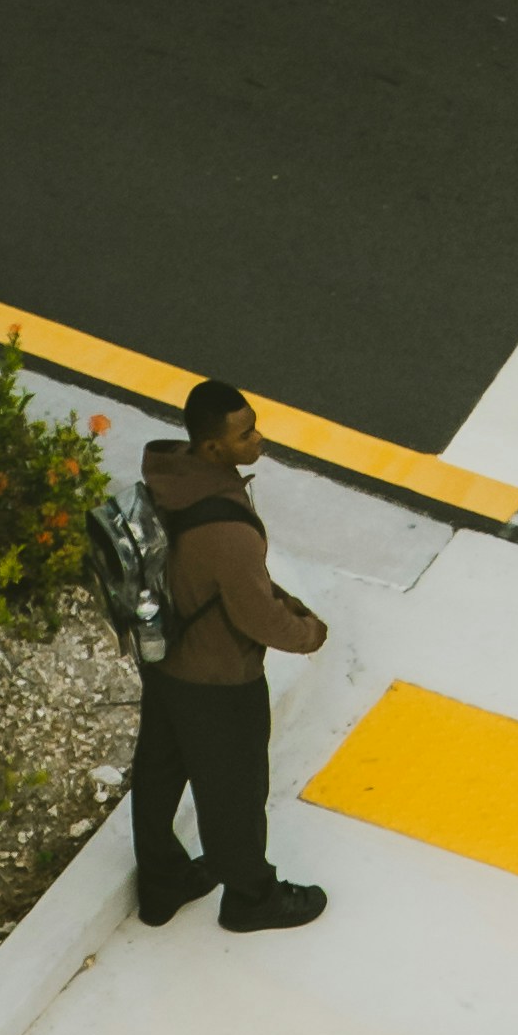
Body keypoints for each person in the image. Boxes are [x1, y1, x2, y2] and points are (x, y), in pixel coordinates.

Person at [133, 381, 331, 936]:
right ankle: (251, 897)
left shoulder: (171, 475)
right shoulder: (226, 530)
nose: (258, 440)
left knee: (158, 772)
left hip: (166, 657)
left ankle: (162, 881)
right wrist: (308, 632)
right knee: (235, 791)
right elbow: (257, 615)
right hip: (218, 677)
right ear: (214, 449)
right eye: (245, 435)